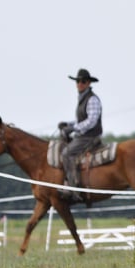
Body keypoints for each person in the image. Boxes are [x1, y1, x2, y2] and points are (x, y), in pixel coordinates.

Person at [58, 68, 103, 201]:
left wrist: (73, 128)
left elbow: (91, 121)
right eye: (78, 81)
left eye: (83, 81)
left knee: (67, 154)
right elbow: (81, 120)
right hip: (84, 135)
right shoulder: (83, 98)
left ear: (88, 83)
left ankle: (74, 188)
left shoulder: (92, 99)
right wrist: (68, 124)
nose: (80, 84)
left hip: (90, 136)